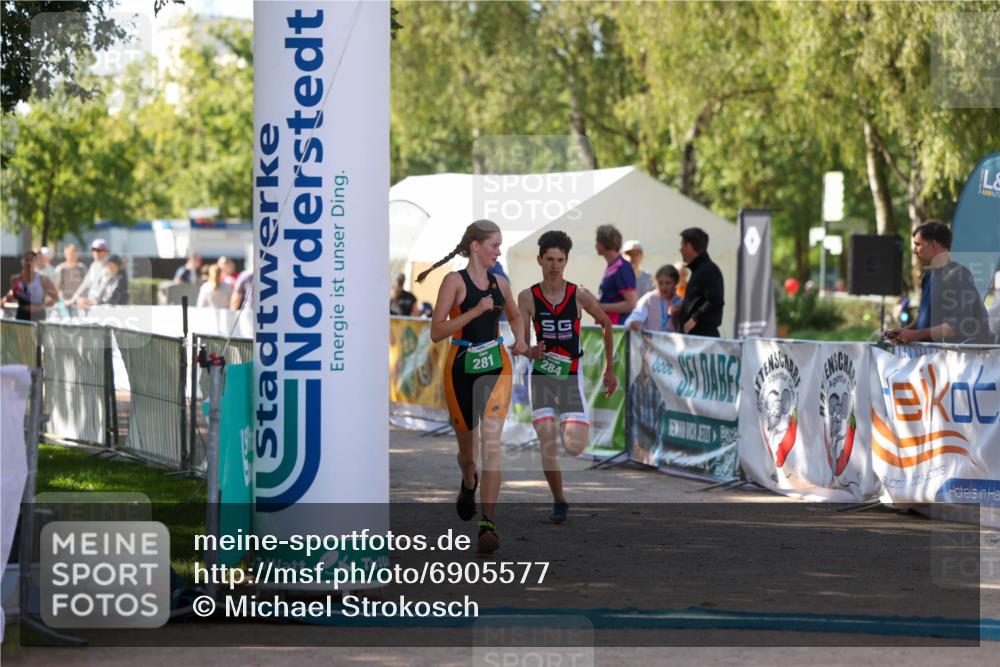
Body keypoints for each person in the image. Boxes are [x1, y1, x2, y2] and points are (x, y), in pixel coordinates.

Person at [417, 219, 528, 555]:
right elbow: (437, 331)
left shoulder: (500, 283)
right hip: (460, 367)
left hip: (497, 365)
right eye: (495, 245)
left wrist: (520, 339)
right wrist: (476, 311)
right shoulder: (454, 282)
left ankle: (488, 523)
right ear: (476, 246)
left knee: (491, 444)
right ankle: (469, 482)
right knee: (469, 456)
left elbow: (515, 316)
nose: (499, 251)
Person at [517, 231, 617, 524]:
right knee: (548, 444)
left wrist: (609, 368)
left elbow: (605, 323)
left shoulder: (579, 295)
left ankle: (567, 422)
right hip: (542, 378)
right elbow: (522, 344)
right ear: (539, 260)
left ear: (566, 261)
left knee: (574, 447)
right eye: (549, 259)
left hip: (571, 378)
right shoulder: (527, 297)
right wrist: (530, 351)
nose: (554, 265)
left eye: (560, 260)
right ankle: (559, 500)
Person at [885, 220, 991, 345]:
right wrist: (903, 332)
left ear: (933, 245)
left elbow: (957, 325)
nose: (914, 250)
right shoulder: (928, 276)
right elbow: (923, 319)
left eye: (918, 244)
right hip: (934, 354)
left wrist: (914, 335)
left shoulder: (959, 275)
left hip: (962, 355)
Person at [676, 227, 725, 337]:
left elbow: (715, 301)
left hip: (703, 339)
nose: (680, 249)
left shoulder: (709, 270)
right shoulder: (700, 270)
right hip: (696, 338)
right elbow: (698, 301)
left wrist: (695, 318)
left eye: (682, 245)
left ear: (689, 246)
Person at [594, 224, 637, 324]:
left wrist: (600, 306)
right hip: (608, 325)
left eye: (597, 241)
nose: (595, 245)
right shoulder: (613, 266)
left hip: (617, 327)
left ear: (603, 244)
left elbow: (631, 304)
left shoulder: (622, 267)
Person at [625, 265, 684, 333]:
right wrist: (632, 323)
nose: (663, 287)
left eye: (668, 283)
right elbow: (632, 319)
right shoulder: (649, 299)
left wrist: (677, 317)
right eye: (660, 283)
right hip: (651, 339)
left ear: (676, 283)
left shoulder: (680, 302)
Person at [4, 250, 58, 321]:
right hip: (21, 317)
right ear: (22, 261)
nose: (29, 262)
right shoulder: (15, 279)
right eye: (26, 259)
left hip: (38, 318)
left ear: (36, 262)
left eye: (32, 260)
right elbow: (13, 297)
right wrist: (8, 298)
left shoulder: (43, 279)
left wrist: (40, 307)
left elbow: (55, 298)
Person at [70, 238, 111, 309]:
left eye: (98, 250)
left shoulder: (110, 266)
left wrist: (93, 301)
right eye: (93, 250)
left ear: (106, 251)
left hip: (104, 306)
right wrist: (73, 299)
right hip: (91, 305)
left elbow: (104, 286)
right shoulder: (94, 265)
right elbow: (85, 284)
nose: (95, 252)